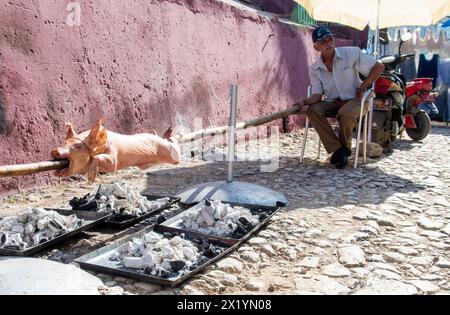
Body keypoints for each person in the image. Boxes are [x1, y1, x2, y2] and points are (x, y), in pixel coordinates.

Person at [295, 26, 385, 168]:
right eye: (323, 41)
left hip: (357, 100)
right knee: (312, 110)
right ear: (316, 47)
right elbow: (318, 96)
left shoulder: (351, 53)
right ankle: (339, 149)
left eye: (330, 38)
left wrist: (364, 85)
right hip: (333, 102)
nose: (329, 42)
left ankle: (344, 149)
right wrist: (304, 101)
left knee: (346, 112)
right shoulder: (315, 68)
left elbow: (379, 66)